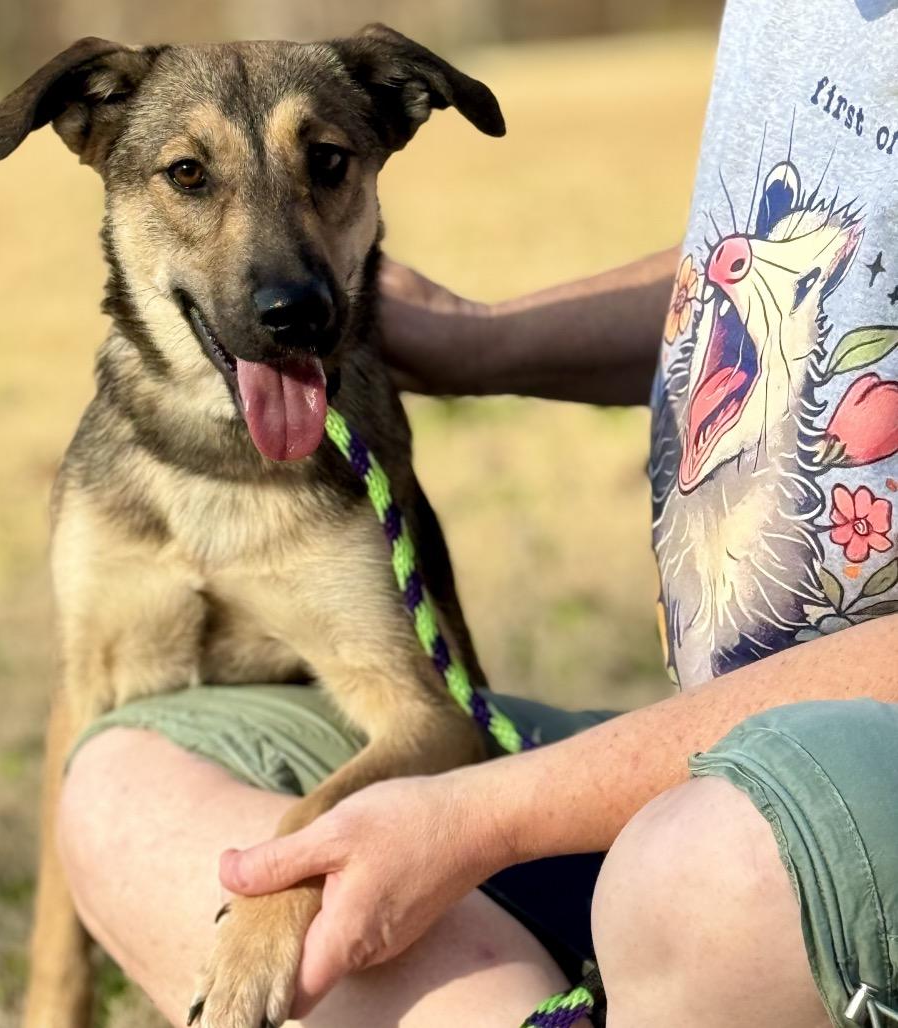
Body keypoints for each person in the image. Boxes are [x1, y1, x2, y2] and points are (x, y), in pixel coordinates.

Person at [57, 1, 898, 1025]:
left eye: (323, 166)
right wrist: (483, 342)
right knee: (117, 787)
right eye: (192, 179)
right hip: (719, 737)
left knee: (691, 877)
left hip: (797, 795)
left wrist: (476, 819)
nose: (274, 259)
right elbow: (781, 267)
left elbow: (437, 732)